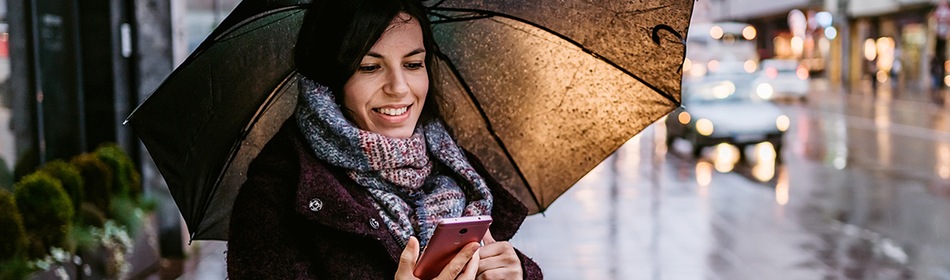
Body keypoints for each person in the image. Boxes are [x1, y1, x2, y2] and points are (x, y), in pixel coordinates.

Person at [225, 0, 543, 279]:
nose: (399, 87)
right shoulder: (274, 197)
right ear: (330, 78)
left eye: (413, 64)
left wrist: (516, 273)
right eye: (370, 66)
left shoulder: (456, 168)